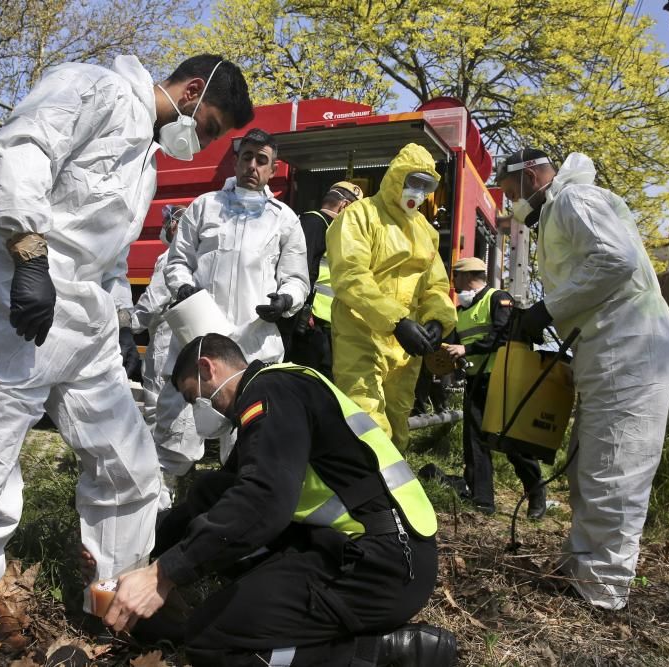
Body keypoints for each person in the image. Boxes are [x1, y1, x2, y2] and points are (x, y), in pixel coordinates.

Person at [0, 54, 253, 661]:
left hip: (83, 320)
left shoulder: (146, 165)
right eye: (207, 124)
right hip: (7, 301)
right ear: (191, 88)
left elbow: (103, 255)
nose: (201, 140)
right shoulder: (94, 87)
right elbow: (23, 151)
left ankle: (114, 598)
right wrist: (27, 254)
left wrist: (116, 326)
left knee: (129, 463)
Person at [102, 334, 457, 667]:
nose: (199, 410)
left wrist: (164, 574)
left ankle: (382, 652)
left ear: (208, 368)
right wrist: (139, 558)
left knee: (211, 642)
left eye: (195, 397)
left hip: (381, 568)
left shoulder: (270, 392)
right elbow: (215, 501)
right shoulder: (282, 389)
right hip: (364, 550)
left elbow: (263, 502)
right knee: (213, 492)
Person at [495, 148, 669, 610]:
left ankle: (601, 593)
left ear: (533, 174)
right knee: (588, 466)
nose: (510, 202)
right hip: (610, 345)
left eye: (510, 190)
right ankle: (582, 568)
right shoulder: (562, 208)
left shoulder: (575, 200)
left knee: (615, 467)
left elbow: (614, 261)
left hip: (632, 345)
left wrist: (546, 310)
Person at [161, 128, 308, 462]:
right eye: (246, 157)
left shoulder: (284, 220)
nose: (252, 167)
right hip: (198, 339)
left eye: (262, 160)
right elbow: (178, 261)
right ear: (236, 161)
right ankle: (163, 506)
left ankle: (238, 504)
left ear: (274, 169)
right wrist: (183, 286)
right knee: (176, 427)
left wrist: (285, 301)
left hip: (253, 343)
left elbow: (297, 279)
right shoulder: (204, 207)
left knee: (250, 441)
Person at [326, 143, 456, 447]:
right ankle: (360, 491)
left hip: (404, 347)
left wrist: (437, 320)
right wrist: (396, 320)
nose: (418, 191)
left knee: (398, 424)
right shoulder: (360, 216)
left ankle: (389, 493)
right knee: (366, 423)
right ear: (396, 177)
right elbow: (351, 277)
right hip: (361, 335)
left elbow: (435, 284)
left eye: (427, 185)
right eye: (414, 181)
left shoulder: (426, 230)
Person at [444, 256, 545, 518]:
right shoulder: (462, 310)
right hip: (475, 381)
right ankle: (483, 502)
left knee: (512, 441)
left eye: (456, 276)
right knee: (475, 442)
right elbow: (456, 341)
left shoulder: (498, 299)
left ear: (468, 276)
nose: (454, 282)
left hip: (501, 380)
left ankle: (536, 494)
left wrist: (467, 348)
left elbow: (502, 335)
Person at [131, 204, 200, 509]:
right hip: (189, 339)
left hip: (165, 344)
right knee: (186, 414)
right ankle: (181, 482)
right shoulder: (198, 256)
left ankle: (159, 498)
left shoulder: (170, 257)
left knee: (158, 411)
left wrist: (126, 324)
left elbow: (152, 302)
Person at [287, 181, 364, 378]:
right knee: (312, 376)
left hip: (325, 322)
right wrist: (303, 311)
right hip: (311, 320)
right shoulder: (314, 222)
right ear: (344, 206)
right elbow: (300, 268)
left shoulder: (332, 229)